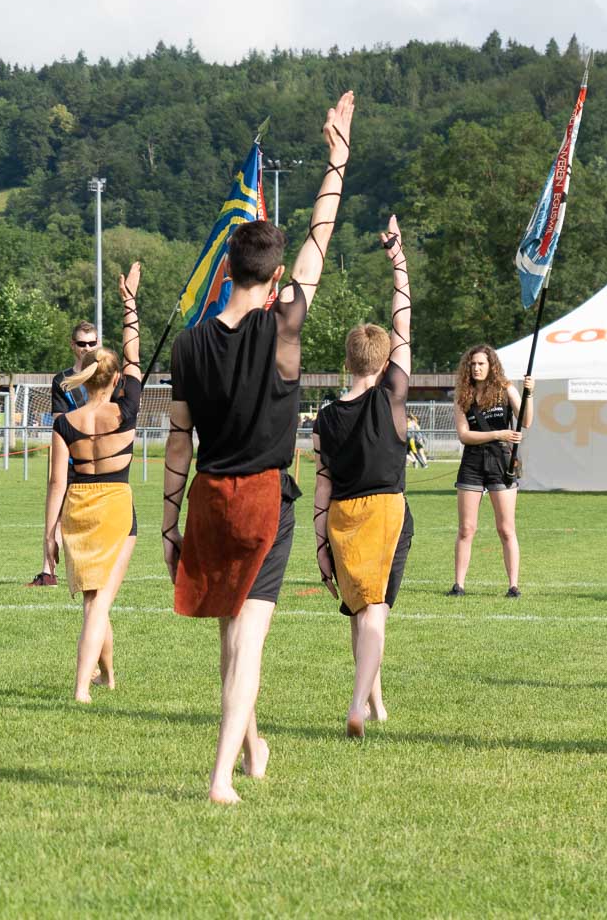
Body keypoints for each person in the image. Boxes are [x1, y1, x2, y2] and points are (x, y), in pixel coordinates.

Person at [162, 91, 356, 805]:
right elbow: (318, 243)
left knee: (229, 636)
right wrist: (337, 162)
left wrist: (168, 526)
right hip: (264, 500)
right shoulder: (284, 329)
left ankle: (252, 746)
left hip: (210, 498)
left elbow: (177, 442)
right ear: (273, 278)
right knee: (248, 641)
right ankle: (221, 776)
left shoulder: (189, 345)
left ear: (227, 268)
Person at [312, 216, 413, 737]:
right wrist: (398, 261)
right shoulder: (391, 397)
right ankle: (357, 703)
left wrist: (319, 544)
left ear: (348, 359)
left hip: (341, 516)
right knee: (375, 612)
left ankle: (375, 704)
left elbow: (322, 483)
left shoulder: (325, 418)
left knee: (357, 610)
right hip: (385, 511)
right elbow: (403, 321)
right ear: (385, 359)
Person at [42, 264, 143, 702]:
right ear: (116, 379)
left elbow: (55, 483)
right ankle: (84, 685)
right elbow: (134, 356)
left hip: (79, 508)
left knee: (93, 601)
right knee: (99, 604)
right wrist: (129, 302)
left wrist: (49, 535)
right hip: (117, 507)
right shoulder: (127, 410)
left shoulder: (65, 422)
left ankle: (106, 677)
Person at [450, 346, 533, 596]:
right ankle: (458, 585)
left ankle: (513, 585)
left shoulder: (505, 389)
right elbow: (464, 435)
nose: (476, 368)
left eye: (481, 364)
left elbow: (526, 420)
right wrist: (498, 433)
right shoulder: (462, 395)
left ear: (491, 365)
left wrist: (529, 393)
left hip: (501, 462)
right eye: (473, 364)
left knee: (506, 529)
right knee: (466, 528)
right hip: (472, 463)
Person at [27, 321, 103, 586]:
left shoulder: (107, 377)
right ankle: (48, 572)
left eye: (92, 343)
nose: (87, 348)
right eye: (82, 343)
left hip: (101, 460)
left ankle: (96, 570)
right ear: (73, 345)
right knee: (56, 516)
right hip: (70, 459)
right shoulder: (62, 381)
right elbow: (60, 421)